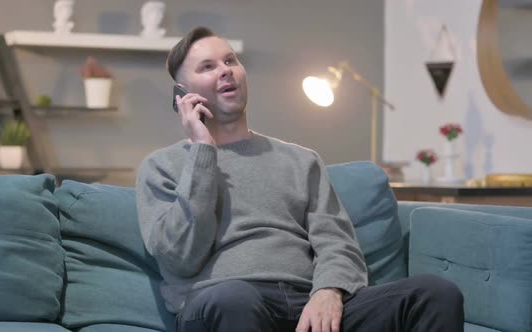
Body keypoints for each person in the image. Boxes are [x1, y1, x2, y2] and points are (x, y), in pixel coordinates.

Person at [136, 26, 464, 332]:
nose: (225, 70)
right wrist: (203, 152)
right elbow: (180, 257)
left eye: (230, 60)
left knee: (436, 293)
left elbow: (337, 243)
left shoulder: (300, 160)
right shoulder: (163, 167)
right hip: (220, 303)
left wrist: (328, 291)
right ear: (182, 95)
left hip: (307, 306)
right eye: (207, 67)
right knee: (236, 298)